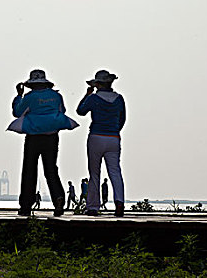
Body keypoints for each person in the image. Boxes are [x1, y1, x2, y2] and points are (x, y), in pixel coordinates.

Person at [7, 69, 79, 216]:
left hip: (33, 137)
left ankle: (26, 205)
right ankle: (58, 199)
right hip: (52, 137)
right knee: (51, 169)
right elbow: (62, 111)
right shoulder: (56, 96)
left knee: (29, 170)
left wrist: (18, 96)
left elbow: (17, 112)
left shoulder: (29, 97)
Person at [77, 70, 126, 217]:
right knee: (115, 172)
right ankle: (119, 203)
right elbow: (122, 119)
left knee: (94, 173)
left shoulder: (93, 98)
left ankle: (93, 207)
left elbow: (80, 111)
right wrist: (114, 131)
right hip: (113, 138)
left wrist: (87, 94)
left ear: (97, 84)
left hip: (96, 136)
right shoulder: (119, 99)